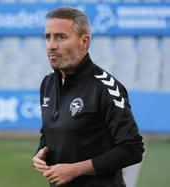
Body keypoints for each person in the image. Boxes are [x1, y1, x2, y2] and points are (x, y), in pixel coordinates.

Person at [32, 6, 144, 187]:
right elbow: (49, 133)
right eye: (47, 37)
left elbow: (132, 149)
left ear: (84, 42)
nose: (52, 45)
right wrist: (40, 152)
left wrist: (74, 170)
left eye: (61, 37)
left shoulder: (106, 87)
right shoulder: (48, 84)